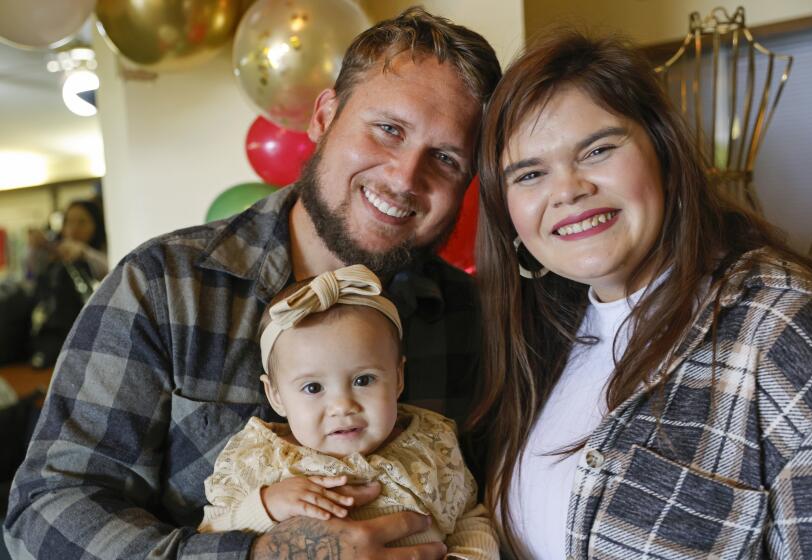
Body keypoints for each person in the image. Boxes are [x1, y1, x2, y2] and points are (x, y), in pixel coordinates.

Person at [4, 8, 500, 559]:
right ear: (324, 116)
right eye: (388, 129)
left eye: (446, 158)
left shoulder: (473, 318)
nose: (406, 177)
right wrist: (259, 555)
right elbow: (46, 508)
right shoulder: (165, 286)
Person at [470, 31, 812, 559]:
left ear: (664, 153)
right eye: (530, 174)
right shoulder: (542, 335)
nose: (568, 190)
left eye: (597, 150)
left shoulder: (783, 327)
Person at [198, 265, 498, 559]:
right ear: (275, 395)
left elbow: (469, 519)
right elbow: (210, 536)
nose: (342, 406)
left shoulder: (432, 443)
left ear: (398, 378)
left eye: (363, 380)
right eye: (313, 388)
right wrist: (264, 506)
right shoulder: (258, 458)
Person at [26, 199, 109, 367]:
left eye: (82, 222)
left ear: (96, 225)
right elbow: (33, 272)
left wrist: (84, 253)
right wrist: (36, 247)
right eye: (69, 221)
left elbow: (111, 269)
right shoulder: (56, 251)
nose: (73, 228)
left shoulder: (101, 252)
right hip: (56, 335)